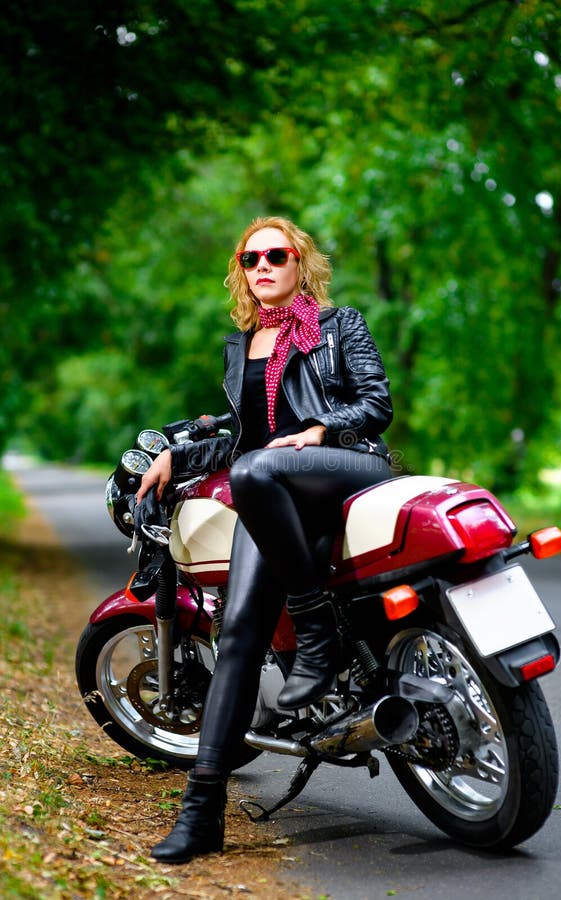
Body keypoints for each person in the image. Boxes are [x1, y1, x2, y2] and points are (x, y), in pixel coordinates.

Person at [135, 216, 393, 863]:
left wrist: (321, 430)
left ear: (300, 263)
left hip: (344, 465)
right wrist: (177, 455)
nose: (263, 267)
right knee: (239, 636)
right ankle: (202, 813)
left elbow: (375, 405)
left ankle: (313, 625)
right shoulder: (242, 346)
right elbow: (245, 440)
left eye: (276, 255)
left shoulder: (339, 325)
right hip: (270, 486)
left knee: (255, 470)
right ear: (241, 272)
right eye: (250, 259)